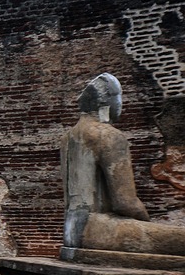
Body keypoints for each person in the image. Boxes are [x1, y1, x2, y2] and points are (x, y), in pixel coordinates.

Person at [61, 72, 185, 255]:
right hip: (98, 230)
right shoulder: (109, 135)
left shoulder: (68, 137)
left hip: (71, 229)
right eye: (119, 99)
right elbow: (125, 203)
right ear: (107, 102)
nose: (121, 105)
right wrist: (145, 222)